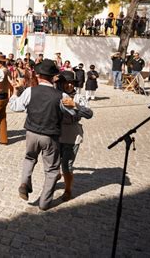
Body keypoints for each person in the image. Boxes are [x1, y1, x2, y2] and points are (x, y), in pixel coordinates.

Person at [9, 59, 75, 210]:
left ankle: (25, 182)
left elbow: (15, 107)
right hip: (50, 136)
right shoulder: (61, 95)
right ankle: (44, 203)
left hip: (31, 133)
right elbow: (72, 113)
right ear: (53, 77)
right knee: (51, 169)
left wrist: (14, 92)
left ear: (38, 76)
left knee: (29, 158)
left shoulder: (30, 91)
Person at [57, 71, 93, 201]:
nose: (70, 85)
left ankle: (68, 190)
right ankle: (56, 175)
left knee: (67, 165)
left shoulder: (79, 97)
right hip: (56, 134)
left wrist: (75, 105)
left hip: (73, 135)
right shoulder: (56, 96)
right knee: (53, 162)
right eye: (67, 82)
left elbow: (89, 114)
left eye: (72, 82)